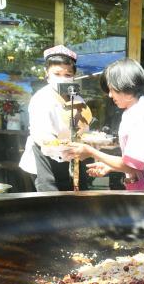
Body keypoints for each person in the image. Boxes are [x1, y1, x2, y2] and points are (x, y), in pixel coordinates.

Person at [66, 58, 144, 194]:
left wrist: (90, 151)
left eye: (112, 89)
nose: (110, 95)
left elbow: (131, 166)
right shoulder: (134, 111)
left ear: (127, 86)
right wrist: (109, 166)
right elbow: (136, 163)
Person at [19, 45, 92, 191]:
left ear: (74, 76)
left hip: (72, 157)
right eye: (57, 74)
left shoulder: (76, 98)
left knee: (76, 201)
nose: (63, 79)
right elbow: (41, 137)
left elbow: (84, 126)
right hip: (45, 158)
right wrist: (65, 147)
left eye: (67, 74)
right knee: (52, 204)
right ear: (47, 74)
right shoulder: (41, 98)